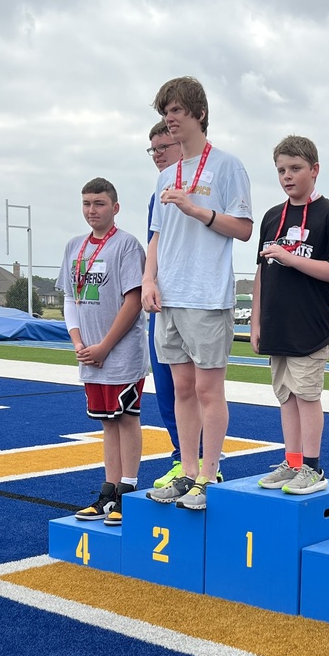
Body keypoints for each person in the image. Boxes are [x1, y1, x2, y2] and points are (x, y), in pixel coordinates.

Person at [142, 76, 253, 510]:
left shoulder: (228, 166)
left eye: (176, 111)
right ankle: (187, 474)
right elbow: (156, 236)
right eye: (165, 112)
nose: (169, 119)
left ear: (199, 114)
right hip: (168, 296)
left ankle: (210, 474)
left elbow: (243, 229)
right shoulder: (166, 174)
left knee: (209, 390)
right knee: (181, 389)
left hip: (206, 295)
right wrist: (149, 280)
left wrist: (197, 209)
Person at [251, 135, 329, 494]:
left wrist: (293, 258)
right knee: (285, 396)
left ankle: (312, 467)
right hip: (277, 324)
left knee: (307, 395)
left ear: (315, 170)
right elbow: (262, 272)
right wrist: (256, 321)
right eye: (281, 170)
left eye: (295, 168)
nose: (287, 176)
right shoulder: (272, 216)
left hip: (310, 324)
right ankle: (292, 461)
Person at [57, 177, 148, 525]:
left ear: (115, 207)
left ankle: (127, 491)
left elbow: (135, 299)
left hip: (120, 352)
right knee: (106, 422)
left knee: (126, 418)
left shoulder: (126, 246)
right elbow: (69, 296)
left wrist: (104, 346)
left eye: (99, 203)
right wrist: (79, 342)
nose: (92, 210)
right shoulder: (74, 246)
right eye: (86, 204)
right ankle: (108, 492)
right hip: (90, 353)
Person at [145, 118, 183, 488]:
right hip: (162, 301)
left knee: (195, 386)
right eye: (152, 149)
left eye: (163, 148)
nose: (157, 156)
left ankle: (205, 460)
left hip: (195, 299)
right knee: (166, 384)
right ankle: (180, 455)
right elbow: (154, 245)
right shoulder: (157, 193)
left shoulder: (205, 182)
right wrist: (148, 281)